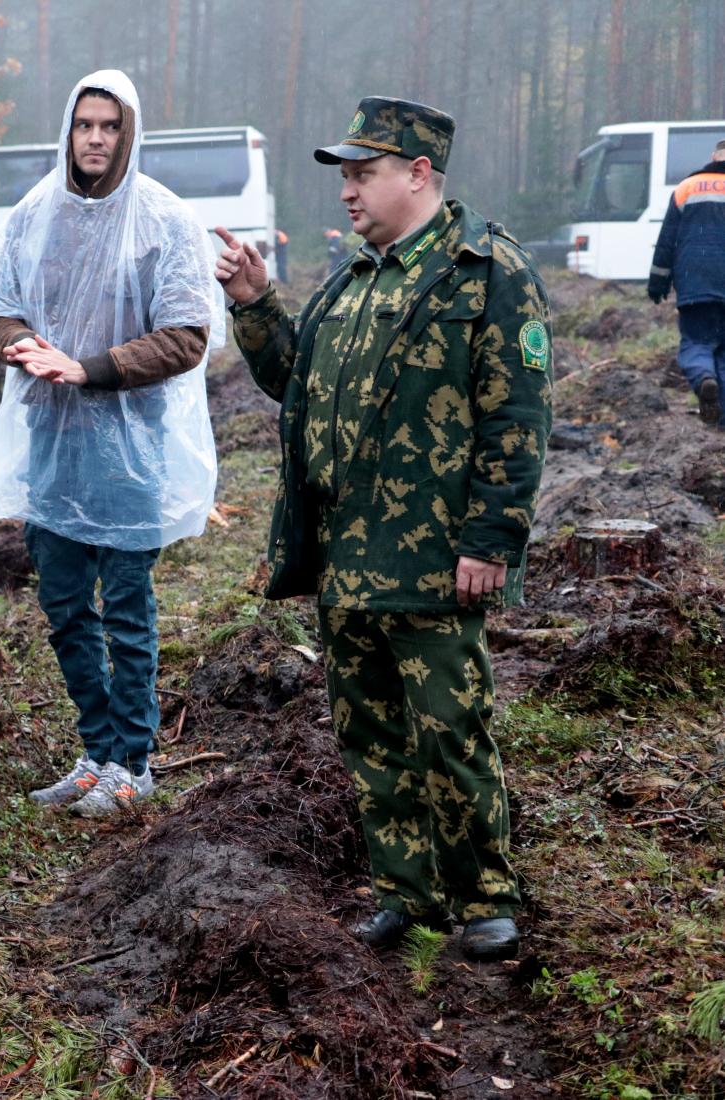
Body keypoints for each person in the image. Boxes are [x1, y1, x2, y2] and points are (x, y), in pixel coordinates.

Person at [214, 97, 551, 962]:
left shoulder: (488, 270)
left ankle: (485, 898)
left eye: (363, 175)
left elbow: (515, 420)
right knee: (370, 736)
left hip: (436, 559)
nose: (348, 193)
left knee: (450, 727)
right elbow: (297, 383)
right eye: (346, 178)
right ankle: (406, 891)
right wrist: (255, 303)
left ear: (418, 174)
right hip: (347, 558)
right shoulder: (353, 278)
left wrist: (491, 542)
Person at [0, 70, 225, 819]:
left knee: (127, 606)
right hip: (50, 442)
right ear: (67, 130)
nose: (95, 139)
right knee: (65, 606)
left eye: (109, 127)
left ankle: (134, 761)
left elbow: (187, 337)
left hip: (131, 447)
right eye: (84, 125)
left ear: (129, 132)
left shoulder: (163, 218)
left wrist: (89, 368)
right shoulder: (36, 212)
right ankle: (96, 753)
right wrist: (20, 344)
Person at [648, 138, 725, 428]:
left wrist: (658, 282)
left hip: (696, 284)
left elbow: (667, 242)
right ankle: (721, 421)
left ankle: (704, 377)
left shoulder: (687, 188)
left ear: (713, 158)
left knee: (697, 342)